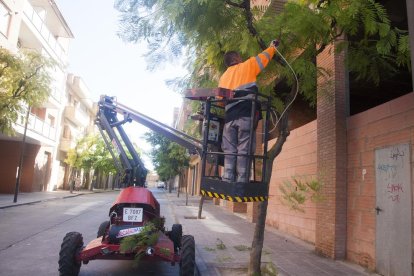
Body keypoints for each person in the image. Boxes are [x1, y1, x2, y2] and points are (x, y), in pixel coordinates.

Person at [219, 40, 278, 183]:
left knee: (230, 149)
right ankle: (242, 179)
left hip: (229, 119)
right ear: (236, 59)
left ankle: (227, 177)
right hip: (246, 115)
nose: (241, 58)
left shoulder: (223, 77)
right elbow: (263, 57)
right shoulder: (247, 66)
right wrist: (273, 47)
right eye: (239, 57)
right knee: (244, 148)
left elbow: (220, 100)